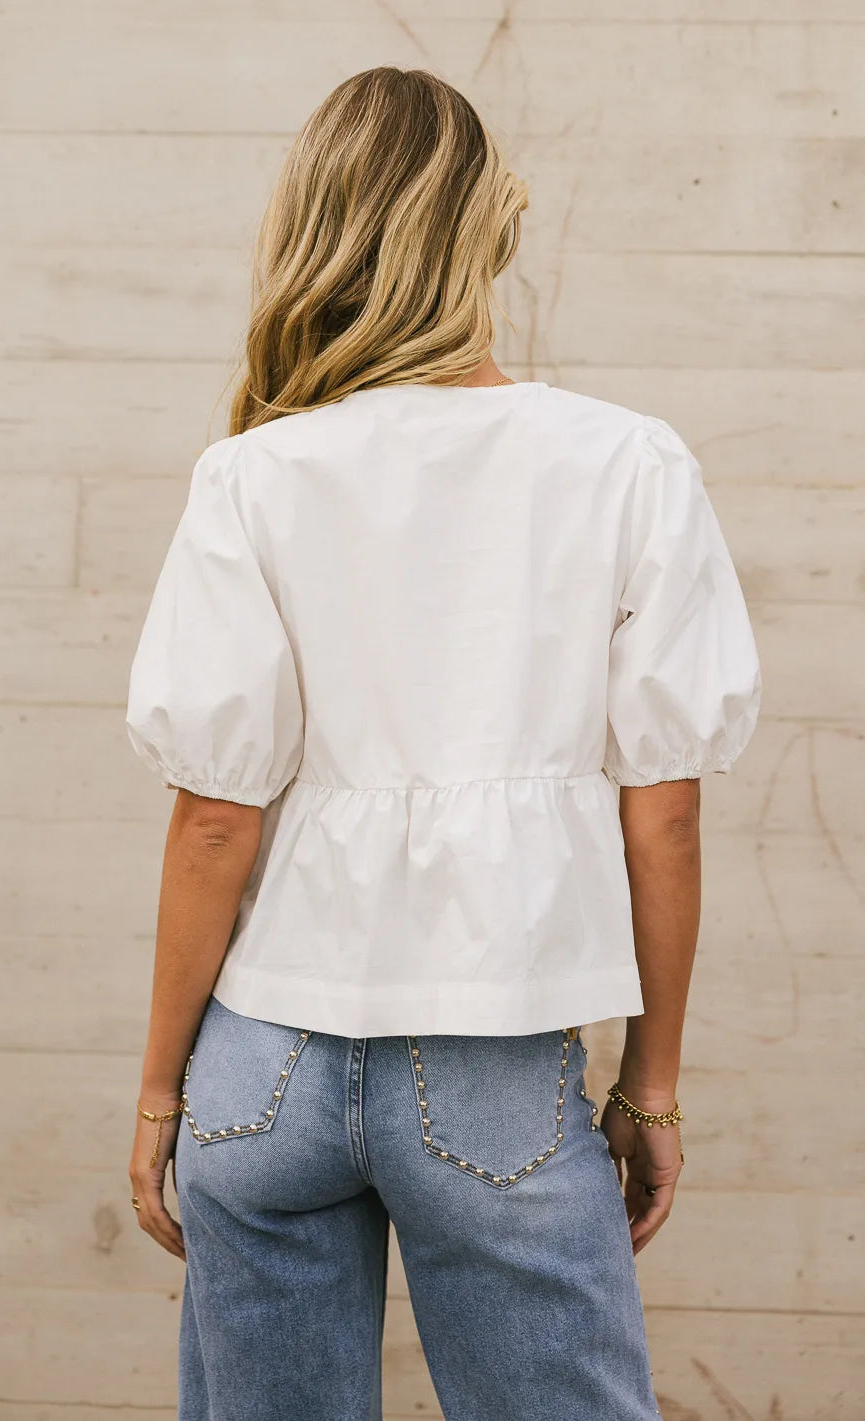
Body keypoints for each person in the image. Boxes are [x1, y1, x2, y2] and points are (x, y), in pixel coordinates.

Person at [124, 66, 761, 1421]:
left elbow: (218, 819)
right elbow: (667, 817)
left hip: (261, 1066)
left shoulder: (254, 473)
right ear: (492, 231)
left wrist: (159, 1089)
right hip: (495, 1062)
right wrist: (648, 1086)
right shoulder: (627, 464)